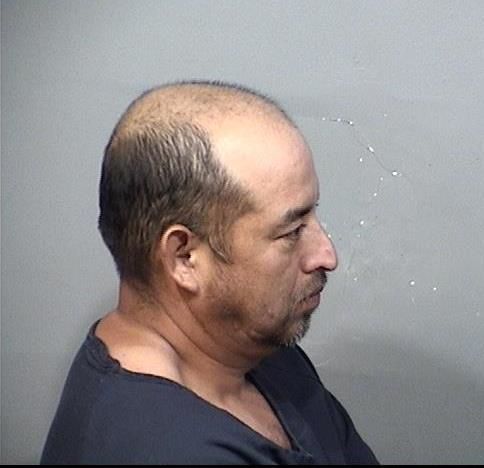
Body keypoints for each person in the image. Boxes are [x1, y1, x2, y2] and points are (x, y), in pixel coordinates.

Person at [40, 81, 379, 465]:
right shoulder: (163, 450)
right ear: (184, 258)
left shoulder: (252, 346)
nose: (326, 255)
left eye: (312, 216)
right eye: (291, 232)